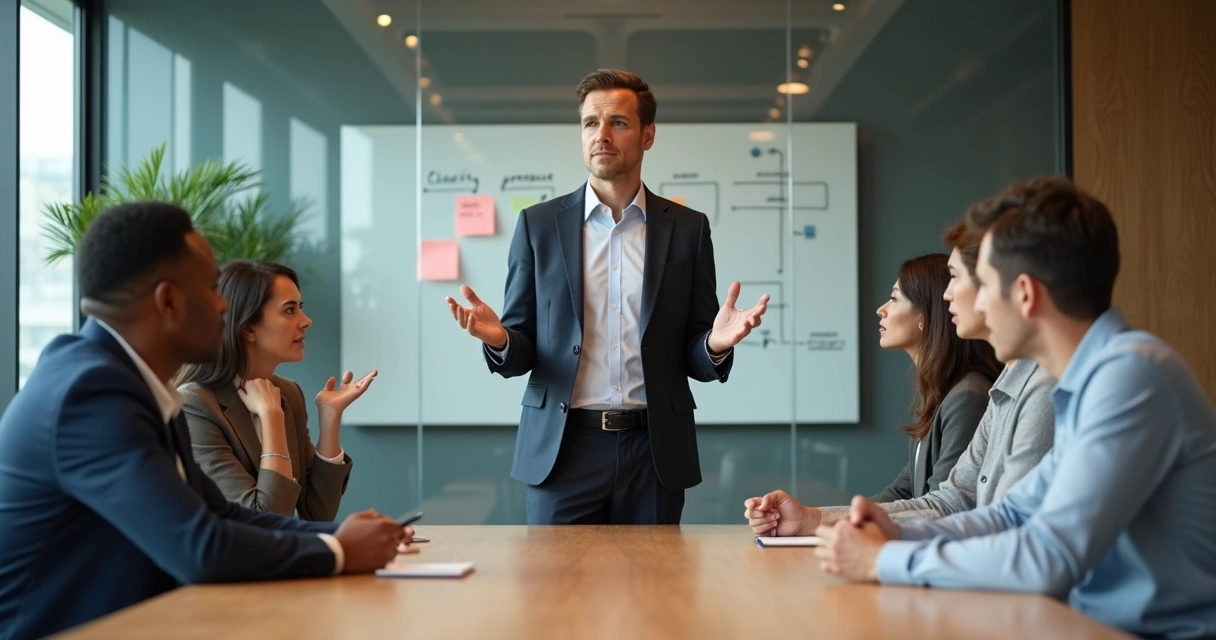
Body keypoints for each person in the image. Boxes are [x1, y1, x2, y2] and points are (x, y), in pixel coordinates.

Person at [814, 177, 1216, 640]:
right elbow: (1010, 516)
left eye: (981, 285)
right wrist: (896, 533)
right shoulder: (1087, 381)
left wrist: (884, 560)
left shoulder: (1130, 377)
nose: (968, 302)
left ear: (1024, 294)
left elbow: (1050, 557)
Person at [0, 203, 410, 639]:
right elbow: (200, 547)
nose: (223, 306)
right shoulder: (91, 395)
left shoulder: (137, 387)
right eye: (213, 288)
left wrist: (342, 535)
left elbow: (223, 516)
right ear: (169, 301)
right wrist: (339, 551)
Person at [444, 69, 769, 524]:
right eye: (589, 123)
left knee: (654, 592)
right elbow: (519, 354)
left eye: (618, 122)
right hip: (562, 449)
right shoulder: (538, 226)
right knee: (557, 591)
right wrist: (499, 339)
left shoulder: (688, 229)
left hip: (653, 450)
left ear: (647, 135)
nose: (601, 135)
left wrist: (714, 345)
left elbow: (696, 356)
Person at [744, 225, 1054, 534]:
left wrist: (871, 551)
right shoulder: (999, 390)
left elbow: (982, 521)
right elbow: (943, 501)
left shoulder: (980, 395)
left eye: (957, 278)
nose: (949, 294)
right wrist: (814, 520)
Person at [176, 260, 374, 520]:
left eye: (300, 307)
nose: (306, 321)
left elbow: (318, 513)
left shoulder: (289, 392)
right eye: (289, 310)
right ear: (248, 327)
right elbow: (264, 521)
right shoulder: (194, 405)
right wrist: (271, 419)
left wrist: (330, 417)